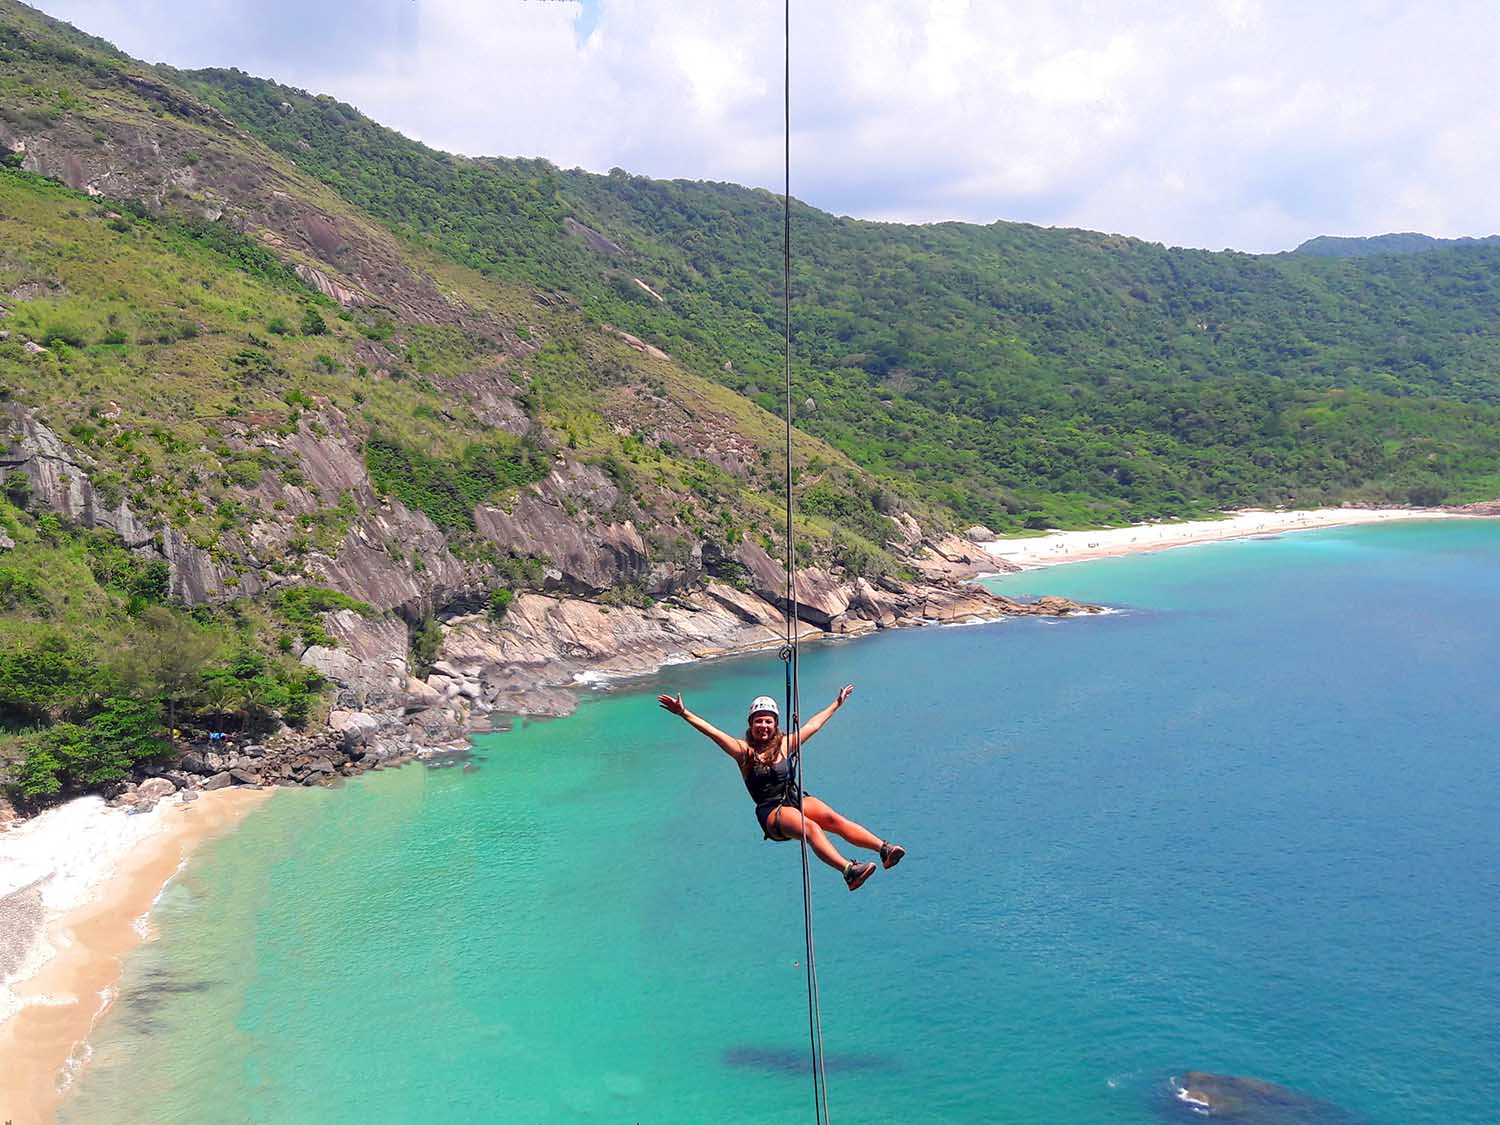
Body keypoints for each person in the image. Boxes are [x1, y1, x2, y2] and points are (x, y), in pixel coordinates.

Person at [657, 686, 904, 892]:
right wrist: (684, 713)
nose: (763, 726)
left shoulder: (785, 745)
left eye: (768, 721)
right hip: (772, 812)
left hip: (793, 798)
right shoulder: (744, 752)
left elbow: (813, 726)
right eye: (758, 722)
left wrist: (836, 704)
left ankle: (883, 850)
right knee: (811, 827)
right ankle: (849, 871)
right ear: (751, 725)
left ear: (775, 724)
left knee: (832, 818)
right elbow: (713, 733)